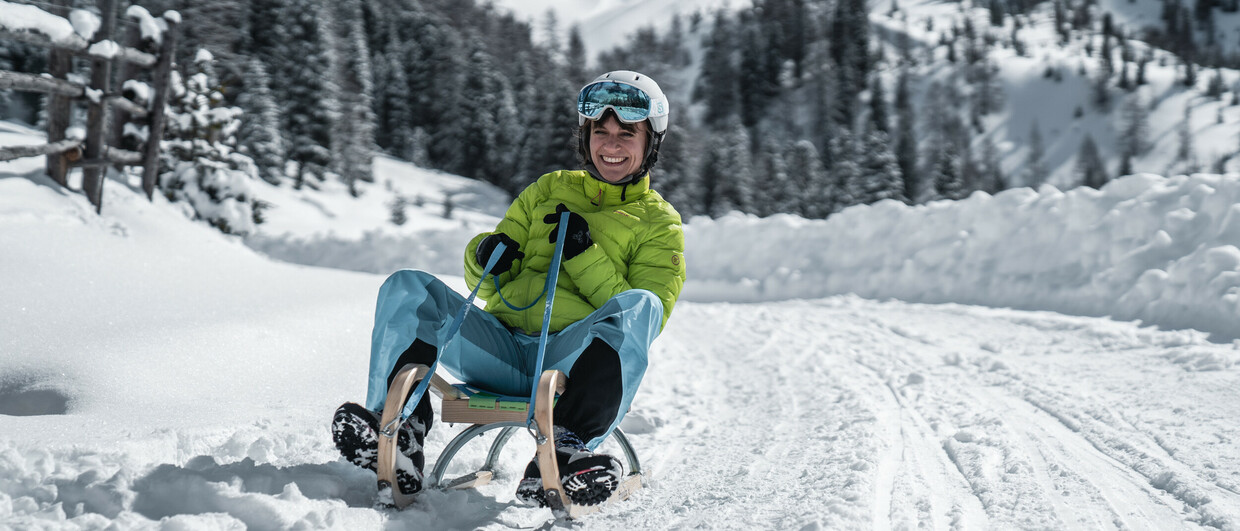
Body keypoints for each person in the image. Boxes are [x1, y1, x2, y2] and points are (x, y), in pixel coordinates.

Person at [330, 70, 686, 507]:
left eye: (626, 133)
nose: (610, 145)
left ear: (651, 142)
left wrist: (583, 254)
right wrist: (485, 254)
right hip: (498, 351)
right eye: (601, 131)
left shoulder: (659, 223)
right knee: (408, 287)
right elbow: (480, 278)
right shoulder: (548, 190)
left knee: (642, 304)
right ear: (585, 135)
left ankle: (565, 450)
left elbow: (646, 319)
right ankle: (400, 433)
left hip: (569, 365)